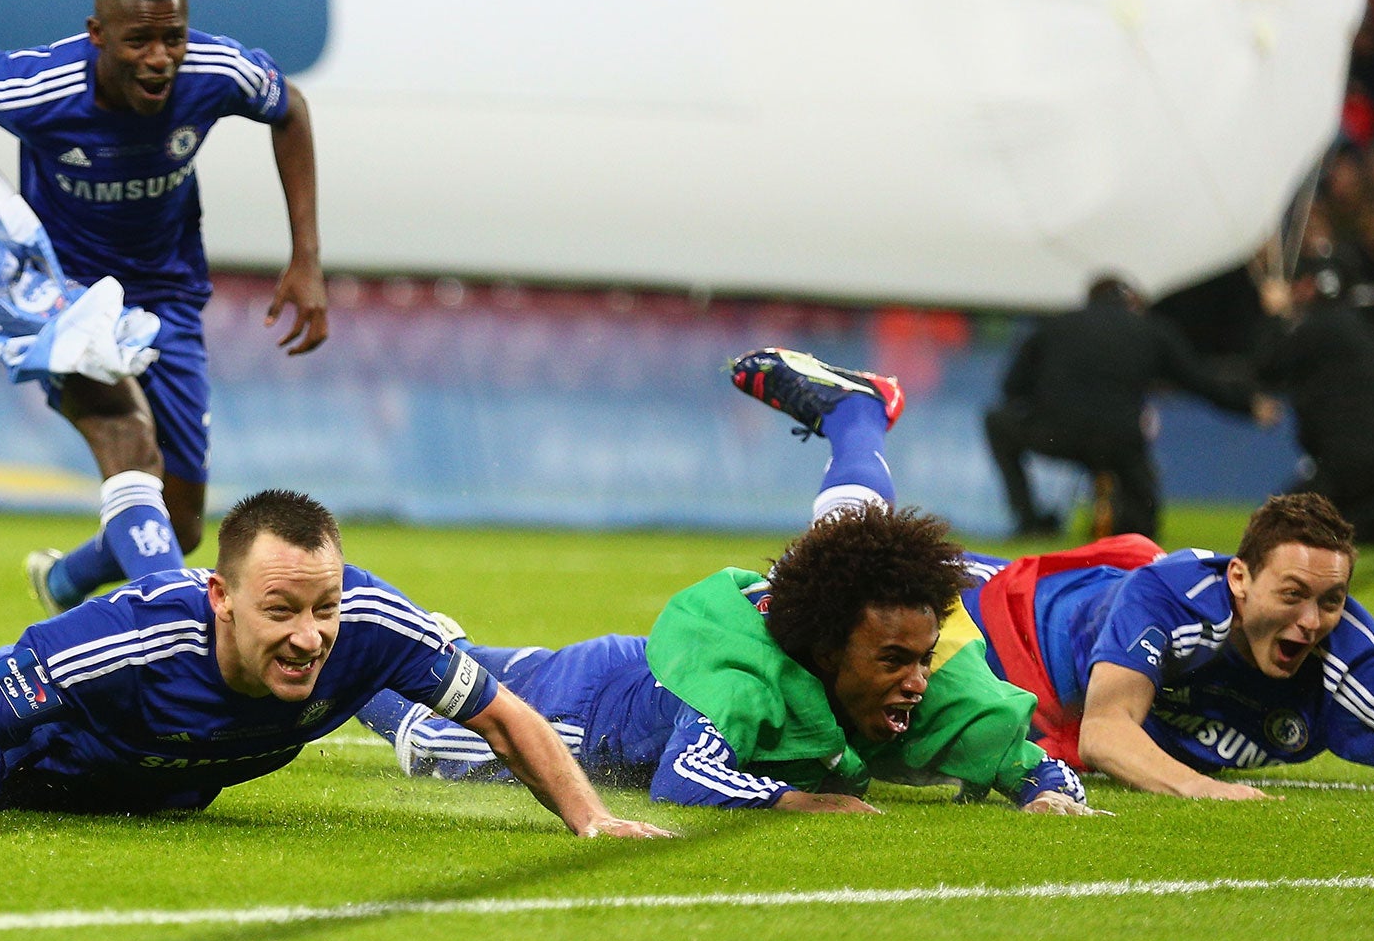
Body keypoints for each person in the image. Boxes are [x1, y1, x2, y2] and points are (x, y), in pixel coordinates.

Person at [356, 348, 1097, 815]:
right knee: (401, 699)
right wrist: (801, 801)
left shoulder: (908, 656)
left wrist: (1044, 795)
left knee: (851, 522)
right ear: (830, 652)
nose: (915, 680)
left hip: (642, 665)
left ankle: (855, 413)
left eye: (921, 658)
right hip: (585, 713)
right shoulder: (746, 681)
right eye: (895, 662)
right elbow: (684, 780)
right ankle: (339, 638)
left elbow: (1041, 766)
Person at [0, 489, 671, 840]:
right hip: (43, 765)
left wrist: (593, 820)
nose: (310, 635)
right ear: (220, 596)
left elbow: (504, 713)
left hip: (156, 775)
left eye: (324, 607)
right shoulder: (129, 635)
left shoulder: (377, 626)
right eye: (281, 610)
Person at [0, 0, 327, 614]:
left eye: (174, 37)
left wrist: (306, 258)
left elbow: (292, 109)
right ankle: (174, 636)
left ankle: (65, 583)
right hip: (60, 295)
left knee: (183, 525)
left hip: (168, 293)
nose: (161, 57)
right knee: (130, 444)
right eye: (139, 40)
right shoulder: (39, 88)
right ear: (97, 34)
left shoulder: (217, 71)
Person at [967, 491, 1374, 796]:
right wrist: (1201, 789)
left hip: (1070, 681)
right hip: (1010, 625)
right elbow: (1102, 733)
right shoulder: (1175, 602)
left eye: (1330, 600)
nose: (1311, 622)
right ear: (1239, 579)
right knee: (902, 577)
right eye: (1291, 595)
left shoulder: (1346, 652)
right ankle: (891, 406)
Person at [984, 275, 1269, 540]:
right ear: (1132, 301)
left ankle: (1029, 520)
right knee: (1141, 529)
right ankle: (1130, 526)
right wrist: (1248, 406)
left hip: (1056, 434)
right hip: (1120, 443)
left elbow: (1012, 386)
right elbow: (1199, 381)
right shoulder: (1150, 330)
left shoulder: (1054, 326)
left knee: (997, 423)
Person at [1253, 265, 1374, 543]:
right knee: (1343, 519)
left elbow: (1267, 365)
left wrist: (1274, 315)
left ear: (1307, 287)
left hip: (1353, 458)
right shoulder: (1363, 325)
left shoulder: (1315, 327)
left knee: (1280, 520)